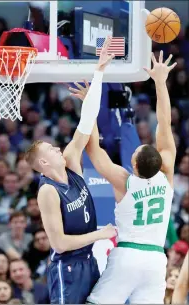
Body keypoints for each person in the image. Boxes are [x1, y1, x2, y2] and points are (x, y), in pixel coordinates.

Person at [70, 51, 177, 304]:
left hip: (128, 255)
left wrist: (89, 106)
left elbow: (92, 149)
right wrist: (160, 83)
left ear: (133, 164)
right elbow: (165, 123)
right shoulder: (168, 172)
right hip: (155, 261)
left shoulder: (125, 181)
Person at [24, 37, 117, 304]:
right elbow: (60, 244)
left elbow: (86, 122)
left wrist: (99, 72)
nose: (57, 149)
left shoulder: (70, 160)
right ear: (43, 164)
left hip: (89, 260)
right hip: (68, 269)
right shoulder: (48, 192)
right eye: (50, 150)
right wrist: (100, 234)